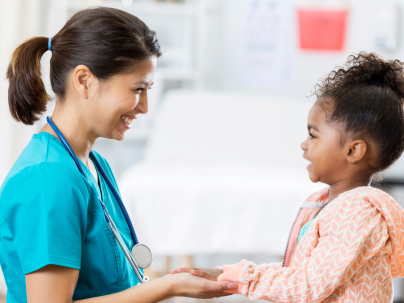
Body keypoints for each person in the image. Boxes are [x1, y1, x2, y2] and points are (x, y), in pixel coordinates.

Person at [0, 7, 237, 303]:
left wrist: (169, 282)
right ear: (84, 80)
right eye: (138, 89)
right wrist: (167, 287)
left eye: (148, 89)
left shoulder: (94, 166)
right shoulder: (48, 177)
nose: (145, 106)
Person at [173, 52, 404, 302]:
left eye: (314, 136)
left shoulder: (357, 212)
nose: (304, 145)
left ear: (353, 150)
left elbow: (308, 286)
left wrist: (242, 281)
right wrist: (225, 275)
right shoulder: (329, 203)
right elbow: (296, 273)